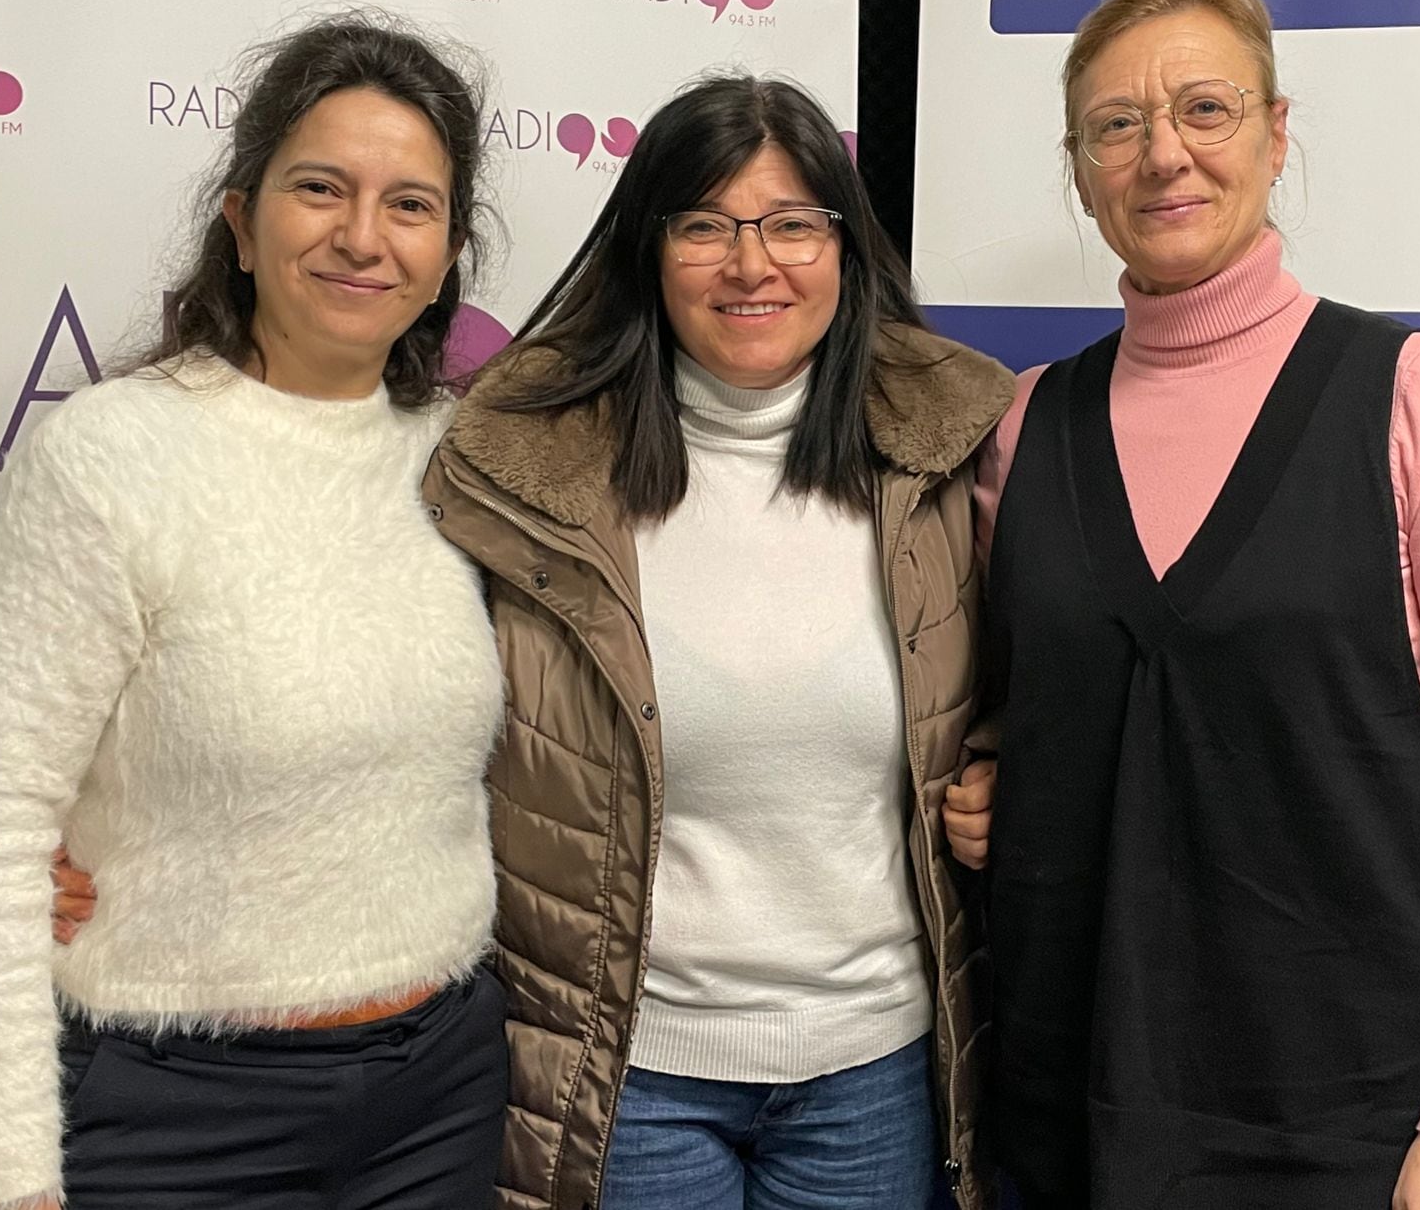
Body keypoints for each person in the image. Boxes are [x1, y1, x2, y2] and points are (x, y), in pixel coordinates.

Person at [950, 0, 1420, 1209]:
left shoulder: (1419, 397)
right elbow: (1032, 711)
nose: (1161, 155)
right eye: (1116, 126)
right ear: (1078, 169)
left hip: (1352, 1124)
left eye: (1205, 108)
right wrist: (992, 776)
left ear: (1275, 134)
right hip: (1068, 1113)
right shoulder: (1024, 429)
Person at [0, 14, 510, 1210]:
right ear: (240, 220)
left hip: (442, 1096)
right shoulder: (113, 454)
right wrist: (2, 1179)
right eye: (318, 189)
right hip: (181, 1115)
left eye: (409, 205)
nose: (360, 236)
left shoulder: (470, 460)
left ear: (447, 252)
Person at [420, 74, 1014, 1210]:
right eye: (704, 226)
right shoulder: (519, 470)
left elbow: (1039, 668)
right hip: (629, 1073)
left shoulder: (949, 452)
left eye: (792, 224)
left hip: (873, 1070)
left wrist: (998, 755)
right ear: (647, 246)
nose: (753, 265)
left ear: (845, 247)